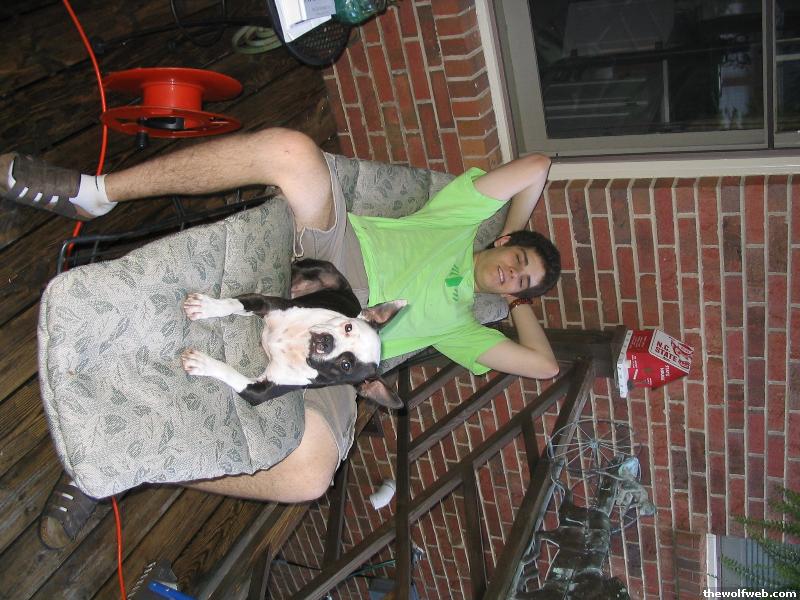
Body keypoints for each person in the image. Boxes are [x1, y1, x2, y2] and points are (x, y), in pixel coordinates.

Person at [1, 127, 561, 548]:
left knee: (311, 476)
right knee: (291, 150)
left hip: (344, 360)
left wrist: (516, 305)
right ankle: (95, 191)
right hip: (340, 257)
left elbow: (545, 367)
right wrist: (514, 224)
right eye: (518, 260)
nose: (512, 274)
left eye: (523, 283)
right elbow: (537, 164)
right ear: (504, 243)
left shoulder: (464, 328)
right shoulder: (460, 219)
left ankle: (124, 469)